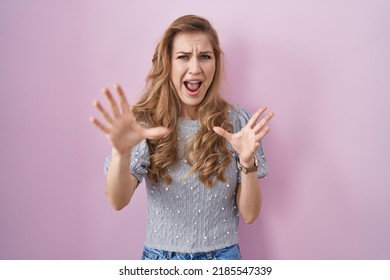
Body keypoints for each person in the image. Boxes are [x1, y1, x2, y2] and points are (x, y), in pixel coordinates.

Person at [90, 15, 274, 260]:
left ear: (215, 64)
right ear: (169, 63)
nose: (195, 68)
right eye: (183, 57)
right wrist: (121, 153)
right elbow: (118, 200)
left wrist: (247, 162)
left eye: (205, 57)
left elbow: (250, 215)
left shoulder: (238, 123)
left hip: (224, 259)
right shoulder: (145, 124)